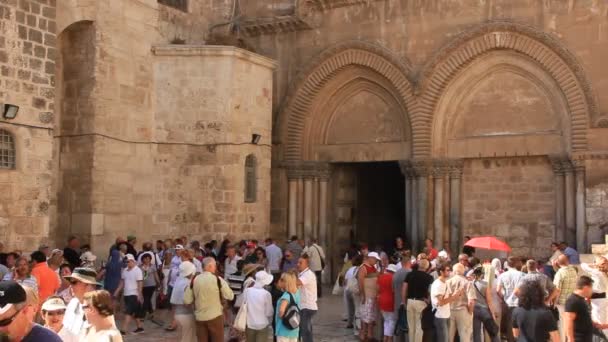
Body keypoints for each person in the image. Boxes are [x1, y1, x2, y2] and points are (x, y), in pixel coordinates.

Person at [184, 257, 235, 342]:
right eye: (215, 266)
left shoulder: (194, 280)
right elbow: (230, 296)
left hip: (200, 318)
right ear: (210, 266)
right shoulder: (218, 280)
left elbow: (187, 300)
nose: (215, 268)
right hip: (215, 317)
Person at [564, 275, 608, 342]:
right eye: (591, 287)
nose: (592, 290)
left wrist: (593, 323)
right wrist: (570, 339)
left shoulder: (582, 299)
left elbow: (583, 316)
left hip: (586, 337)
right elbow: (568, 321)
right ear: (586, 287)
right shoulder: (572, 301)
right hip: (579, 338)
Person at [62, 267, 100, 341]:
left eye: (74, 282)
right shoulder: (73, 302)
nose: (70, 286)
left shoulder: (99, 310)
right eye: (70, 282)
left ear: (88, 285)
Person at [402, 259, 433, 342]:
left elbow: (404, 289)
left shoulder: (409, 274)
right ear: (427, 267)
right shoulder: (429, 277)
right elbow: (430, 291)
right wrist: (428, 300)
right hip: (421, 302)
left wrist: (404, 302)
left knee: (411, 327)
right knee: (419, 327)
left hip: (410, 301)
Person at [431, 263, 464, 342]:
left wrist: (458, 293)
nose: (450, 272)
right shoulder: (438, 284)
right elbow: (441, 302)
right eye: (448, 270)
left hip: (446, 315)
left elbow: (449, 297)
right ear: (441, 272)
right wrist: (454, 296)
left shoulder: (445, 282)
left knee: (447, 339)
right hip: (440, 316)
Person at [113, 254, 144, 335]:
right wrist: (117, 291)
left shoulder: (138, 270)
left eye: (128, 262)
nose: (127, 263)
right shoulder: (125, 270)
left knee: (128, 312)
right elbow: (122, 282)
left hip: (134, 294)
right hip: (126, 294)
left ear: (133, 261)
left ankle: (123, 330)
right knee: (136, 312)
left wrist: (139, 295)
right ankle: (140, 327)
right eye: (126, 262)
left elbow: (140, 283)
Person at [496, 256, 524, 342]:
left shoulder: (502, 275)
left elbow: (498, 290)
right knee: (520, 323)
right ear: (516, 264)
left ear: (507, 264)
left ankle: (510, 340)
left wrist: (503, 297)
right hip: (519, 302)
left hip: (508, 302)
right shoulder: (522, 275)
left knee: (509, 323)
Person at [446, 262, 476, 342]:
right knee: (465, 336)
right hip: (463, 310)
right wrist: (470, 312)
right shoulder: (467, 283)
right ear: (463, 271)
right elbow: (471, 301)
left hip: (450, 310)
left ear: (453, 271)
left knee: (449, 336)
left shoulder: (448, 282)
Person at [580, 256, 608, 339]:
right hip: (598, 299)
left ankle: (603, 338)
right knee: (599, 320)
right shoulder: (602, 273)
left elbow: (583, 265)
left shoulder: (598, 273)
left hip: (598, 301)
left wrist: (594, 264)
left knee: (599, 322)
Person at [553, 254, 578, 342]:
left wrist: (554, 302)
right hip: (573, 301)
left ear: (558, 262)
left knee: (563, 323)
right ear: (567, 261)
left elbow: (557, 290)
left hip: (562, 302)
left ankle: (563, 340)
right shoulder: (573, 270)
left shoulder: (559, 273)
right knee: (571, 322)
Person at [471, 266, 500, 342]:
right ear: (482, 274)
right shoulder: (485, 284)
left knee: (476, 333)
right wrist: (493, 313)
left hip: (474, 309)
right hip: (484, 310)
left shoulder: (470, 283)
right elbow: (489, 300)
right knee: (492, 331)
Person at [244, 270, 274, 342]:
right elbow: (269, 312)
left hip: (249, 323)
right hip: (262, 324)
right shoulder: (266, 294)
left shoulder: (247, 291)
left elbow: (244, 306)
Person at [170, 261, 197, 342]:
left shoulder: (178, 281)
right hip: (187, 315)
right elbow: (188, 302)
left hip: (178, 315)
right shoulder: (188, 283)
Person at [358, 251, 380, 341]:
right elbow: (360, 282)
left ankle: (370, 334)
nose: (376, 262)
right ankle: (363, 334)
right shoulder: (363, 268)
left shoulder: (373, 267)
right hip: (367, 296)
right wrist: (363, 295)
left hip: (373, 296)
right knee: (365, 315)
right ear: (371, 258)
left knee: (371, 316)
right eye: (375, 260)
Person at [296, 253, 317, 342]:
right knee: (304, 329)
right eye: (298, 262)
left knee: (306, 331)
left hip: (307, 306)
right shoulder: (302, 274)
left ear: (306, 264)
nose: (298, 264)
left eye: (300, 263)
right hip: (303, 305)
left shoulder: (308, 274)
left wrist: (288, 277)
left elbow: (297, 283)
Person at [275, 272, 301, 342]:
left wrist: (281, 317)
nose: (279, 281)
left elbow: (281, 311)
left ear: (285, 282)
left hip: (283, 329)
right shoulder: (298, 293)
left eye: (281, 279)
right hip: (294, 328)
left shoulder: (286, 295)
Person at [378, 264, 398, 342]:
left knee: (386, 320)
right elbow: (394, 290)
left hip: (382, 300)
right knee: (392, 321)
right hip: (391, 300)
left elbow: (378, 289)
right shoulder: (393, 278)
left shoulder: (381, 277)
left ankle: (385, 338)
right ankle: (389, 339)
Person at [140, 253, 161, 321]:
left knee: (146, 299)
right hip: (143, 285)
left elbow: (156, 275)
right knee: (147, 300)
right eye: (145, 258)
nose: (147, 260)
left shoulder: (153, 266)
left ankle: (142, 315)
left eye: (148, 258)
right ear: (143, 259)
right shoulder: (140, 267)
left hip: (151, 285)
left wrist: (158, 282)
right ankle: (151, 313)